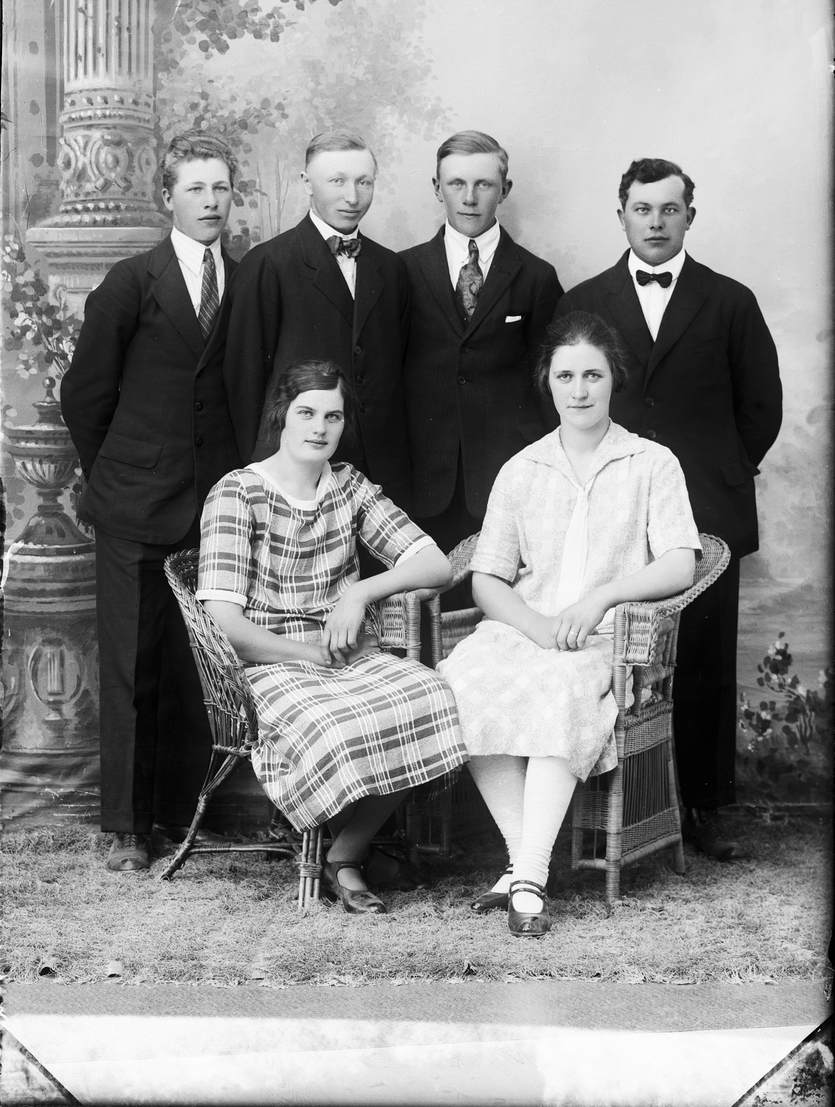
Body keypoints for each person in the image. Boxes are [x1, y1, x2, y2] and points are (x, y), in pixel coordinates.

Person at [438, 312, 701, 937]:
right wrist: (534, 627)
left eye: (592, 375)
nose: (579, 390)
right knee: (457, 682)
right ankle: (525, 859)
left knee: (559, 688)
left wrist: (600, 599)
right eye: (565, 377)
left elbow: (681, 562)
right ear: (547, 383)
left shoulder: (650, 463)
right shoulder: (522, 469)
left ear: (614, 380)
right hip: (525, 631)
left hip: (608, 641)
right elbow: (487, 579)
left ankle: (528, 877)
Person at [554, 158, 782, 859]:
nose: (655, 222)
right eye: (642, 209)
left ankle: (703, 807)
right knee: (615, 651)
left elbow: (761, 407)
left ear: (690, 216)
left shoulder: (730, 300)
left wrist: (712, 472)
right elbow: (565, 399)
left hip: (707, 506)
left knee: (704, 659)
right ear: (621, 215)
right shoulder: (583, 301)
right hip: (612, 504)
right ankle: (616, 805)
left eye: (669, 209)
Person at [196, 360, 467, 915]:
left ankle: (344, 852)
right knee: (334, 724)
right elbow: (225, 627)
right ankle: (346, 859)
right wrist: (311, 654)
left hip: (346, 655)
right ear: (281, 415)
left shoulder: (349, 487)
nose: (319, 428)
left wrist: (359, 593)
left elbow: (435, 563)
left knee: (432, 695)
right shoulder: (237, 493)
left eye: (333, 416)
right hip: (269, 664)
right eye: (307, 413)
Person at [61, 132, 242, 872]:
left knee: (193, 665)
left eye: (220, 188)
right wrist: (116, 474)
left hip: (215, 508)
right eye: (195, 188)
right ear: (167, 197)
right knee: (132, 666)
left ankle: (178, 815)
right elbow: (84, 395)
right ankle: (127, 828)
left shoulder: (247, 282)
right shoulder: (131, 281)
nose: (210, 201)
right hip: (134, 503)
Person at [224, 128, 412, 510]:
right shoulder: (267, 264)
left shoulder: (392, 268)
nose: (352, 197)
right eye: (337, 181)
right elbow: (243, 383)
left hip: (381, 473)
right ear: (307, 183)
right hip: (295, 474)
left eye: (364, 182)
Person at [400, 130, 564, 557]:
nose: (469, 198)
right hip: (423, 473)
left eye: (484, 184)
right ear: (437, 188)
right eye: (456, 183)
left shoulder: (536, 276)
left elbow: (550, 387)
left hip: (507, 469)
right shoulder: (403, 271)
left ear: (504, 190)